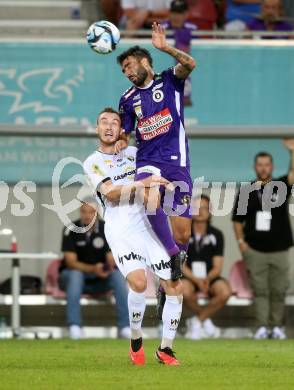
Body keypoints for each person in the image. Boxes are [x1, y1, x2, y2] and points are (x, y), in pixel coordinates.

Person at [83, 107, 184, 366]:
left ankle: (166, 349)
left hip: (149, 225)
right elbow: (111, 193)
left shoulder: (135, 154)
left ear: (121, 129)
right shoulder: (91, 161)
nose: (108, 126)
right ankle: (136, 339)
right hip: (120, 227)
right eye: (103, 122)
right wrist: (143, 183)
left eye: (114, 122)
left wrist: (167, 185)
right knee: (139, 283)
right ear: (96, 129)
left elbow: (161, 177)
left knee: (174, 285)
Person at [116, 23, 196, 287]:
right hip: (148, 162)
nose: (126, 72)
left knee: (183, 232)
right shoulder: (127, 99)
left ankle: (170, 273)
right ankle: (172, 255)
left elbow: (191, 64)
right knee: (148, 195)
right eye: (123, 69)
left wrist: (165, 48)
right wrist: (119, 141)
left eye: (129, 65)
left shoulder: (169, 80)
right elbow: (125, 132)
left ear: (144, 62)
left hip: (177, 163)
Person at [232, 139, 294, 340]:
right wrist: (242, 243)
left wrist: (292, 152)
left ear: (272, 167)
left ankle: (276, 327)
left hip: (280, 249)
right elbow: (237, 220)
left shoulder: (282, 186)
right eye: (260, 165)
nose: (264, 168)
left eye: (267, 165)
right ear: (255, 167)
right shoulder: (246, 191)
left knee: (279, 290)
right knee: (260, 291)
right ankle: (261, 327)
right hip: (255, 251)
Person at [59, 199, 130, 340]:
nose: (87, 215)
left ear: (97, 213)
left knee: (117, 276)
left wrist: (110, 265)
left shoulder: (108, 228)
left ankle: (125, 327)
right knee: (75, 275)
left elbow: (113, 258)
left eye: (91, 212)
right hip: (72, 278)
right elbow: (71, 262)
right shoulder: (70, 229)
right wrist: (93, 269)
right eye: (84, 211)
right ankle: (74, 326)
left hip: (101, 277)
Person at [183, 195, 231, 340]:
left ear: (210, 211)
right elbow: (181, 264)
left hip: (209, 277)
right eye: (197, 208)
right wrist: (196, 280)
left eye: (204, 208)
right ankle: (205, 320)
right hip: (190, 277)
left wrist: (207, 279)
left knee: (225, 292)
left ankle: (197, 320)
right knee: (183, 290)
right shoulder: (184, 233)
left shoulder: (217, 234)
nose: (200, 211)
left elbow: (218, 266)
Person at [161, 0, 197, 106]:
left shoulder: (193, 29)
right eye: (174, 12)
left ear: (186, 14)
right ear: (169, 13)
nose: (176, 16)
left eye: (180, 13)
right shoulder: (162, 28)